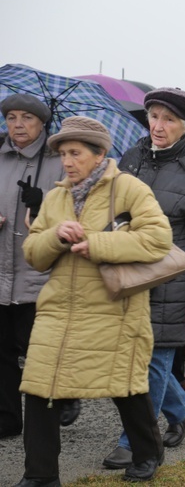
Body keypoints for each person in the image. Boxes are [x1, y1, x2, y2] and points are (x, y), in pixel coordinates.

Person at [18, 116, 172, 484]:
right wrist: (55, 235)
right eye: (62, 154)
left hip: (114, 308)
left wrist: (98, 244)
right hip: (58, 310)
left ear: (100, 153)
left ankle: (148, 453)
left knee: (124, 386)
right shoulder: (55, 197)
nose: (67, 161)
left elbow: (158, 239)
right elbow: (33, 254)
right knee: (41, 388)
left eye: (75, 153)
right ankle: (40, 475)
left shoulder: (129, 189)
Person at [103, 87, 185, 470]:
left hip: (172, 280)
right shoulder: (132, 156)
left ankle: (133, 439)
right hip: (130, 272)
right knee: (136, 357)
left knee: (153, 361)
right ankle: (182, 410)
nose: (159, 125)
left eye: (169, 120)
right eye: (154, 116)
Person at [0, 95, 67, 441]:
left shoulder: (59, 161)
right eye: (11, 117)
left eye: (27, 117)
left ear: (42, 123)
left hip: (40, 274)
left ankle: (64, 399)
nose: (18, 125)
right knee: (2, 353)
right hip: (1, 271)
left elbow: (77, 213)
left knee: (40, 351)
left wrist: (44, 206)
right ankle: (8, 419)